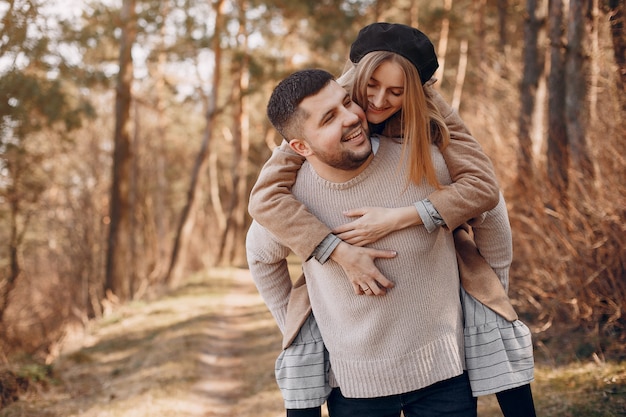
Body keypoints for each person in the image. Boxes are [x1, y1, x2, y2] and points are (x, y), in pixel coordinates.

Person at [248, 23, 536, 417]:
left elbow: (486, 195)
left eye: (396, 92)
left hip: (442, 369)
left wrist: (488, 294)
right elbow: (263, 204)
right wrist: (331, 261)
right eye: (367, 90)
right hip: (357, 380)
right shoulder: (318, 128)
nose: (372, 105)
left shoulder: (429, 129)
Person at [247, 67, 476, 416]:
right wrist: (299, 329)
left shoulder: (421, 159)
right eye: (329, 118)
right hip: (356, 390)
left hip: (445, 377)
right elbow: (261, 256)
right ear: (299, 147)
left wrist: (491, 308)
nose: (352, 118)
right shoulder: (293, 198)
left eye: (346, 102)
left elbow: (490, 209)